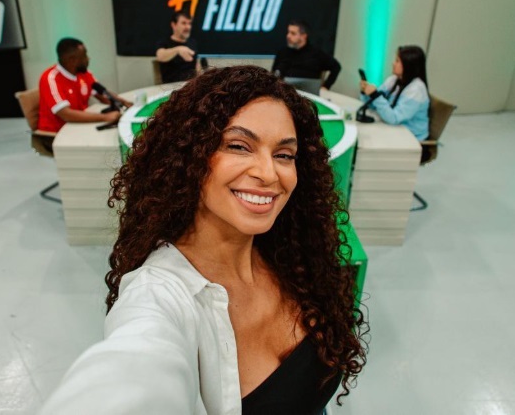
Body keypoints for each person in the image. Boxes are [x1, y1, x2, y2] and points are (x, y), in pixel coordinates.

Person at [40, 66, 367, 414]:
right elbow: (131, 376)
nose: (269, 173)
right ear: (188, 156)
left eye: (284, 154)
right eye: (238, 146)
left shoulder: (290, 252)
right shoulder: (158, 298)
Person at [38, 37, 131, 133]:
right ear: (72, 60)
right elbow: (66, 114)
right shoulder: (50, 78)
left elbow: (103, 95)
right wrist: (105, 117)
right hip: (57, 133)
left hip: (80, 126)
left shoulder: (84, 74)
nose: (88, 58)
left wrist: (122, 102)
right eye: (84, 55)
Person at [359, 45, 430, 141]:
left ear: (408, 65)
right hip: (395, 129)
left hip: (412, 138)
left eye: (397, 61)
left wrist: (375, 95)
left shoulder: (416, 89)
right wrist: (366, 92)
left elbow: (394, 118)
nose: (393, 63)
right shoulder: (393, 79)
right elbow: (375, 105)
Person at [271, 19, 342, 90]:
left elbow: (336, 67)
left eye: (293, 33)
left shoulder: (316, 53)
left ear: (303, 36)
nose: (288, 36)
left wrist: (326, 86)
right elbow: (274, 73)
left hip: (309, 93)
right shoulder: (282, 52)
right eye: (288, 32)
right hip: (284, 92)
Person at [154, 11, 201, 83]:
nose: (187, 27)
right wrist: (178, 49)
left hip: (190, 85)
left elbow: (197, 66)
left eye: (189, 23)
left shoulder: (192, 43)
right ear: (174, 25)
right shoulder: (164, 42)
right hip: (170, 86)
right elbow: (160, 56)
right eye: (183, 23)